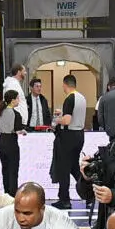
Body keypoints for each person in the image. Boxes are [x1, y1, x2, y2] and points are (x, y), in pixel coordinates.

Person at [50, 75, 87, 210]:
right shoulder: (82, 98)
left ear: (65, 84)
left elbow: (67, 120)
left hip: (68, 136)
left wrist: (56, 119)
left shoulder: (69, 98)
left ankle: (65, 199)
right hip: (79, 134)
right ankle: (89, 193)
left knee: (64, 168)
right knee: (73, 167)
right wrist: (63, 113)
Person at [0, 90, 26, 196]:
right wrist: (23, 132)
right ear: (12, 100)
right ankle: (13, 195)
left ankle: (6, 193)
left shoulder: (0, 112)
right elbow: (18, 130)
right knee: (13, 171)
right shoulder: (16, 114)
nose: (18, 100)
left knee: (5, 169)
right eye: (17, 98)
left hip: (1, 142)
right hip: (11, 143)